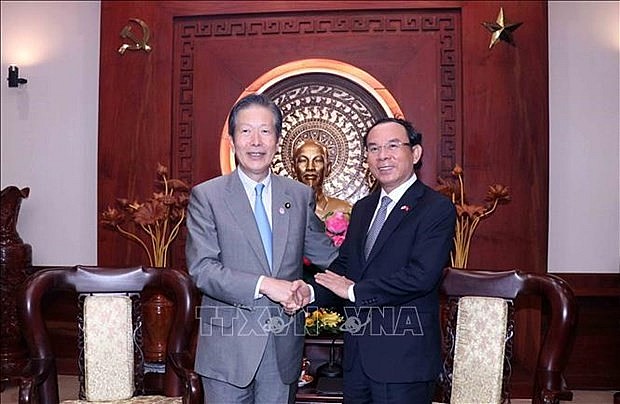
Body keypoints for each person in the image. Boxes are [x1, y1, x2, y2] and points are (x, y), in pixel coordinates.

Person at [185, 93, 339, 404]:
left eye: (265, 131)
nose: (256, 141)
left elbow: (332, 260)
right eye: (246, 131)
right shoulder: (207, 197)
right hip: (228, 350)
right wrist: (266, 286)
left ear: (278, 139)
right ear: (232, 140)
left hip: (283, 349)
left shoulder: (298, 196)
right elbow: (203, 270)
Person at [314, 117, 456, 404]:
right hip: (357, 359)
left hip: (404, 361)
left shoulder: (435, 208)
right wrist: (305, 293)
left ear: (415, 153)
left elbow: (421, 276)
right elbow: (344, 266)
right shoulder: (365, 208)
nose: (383, 156)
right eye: (374, 148)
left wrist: (354, 291)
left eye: (393, 146)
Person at [292, 139, 351, 219]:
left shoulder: (345, 210)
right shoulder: (282, 209)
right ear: (293, 168)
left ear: (328, 168)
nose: (310, 167)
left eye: (318, 161)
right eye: (303, 161)